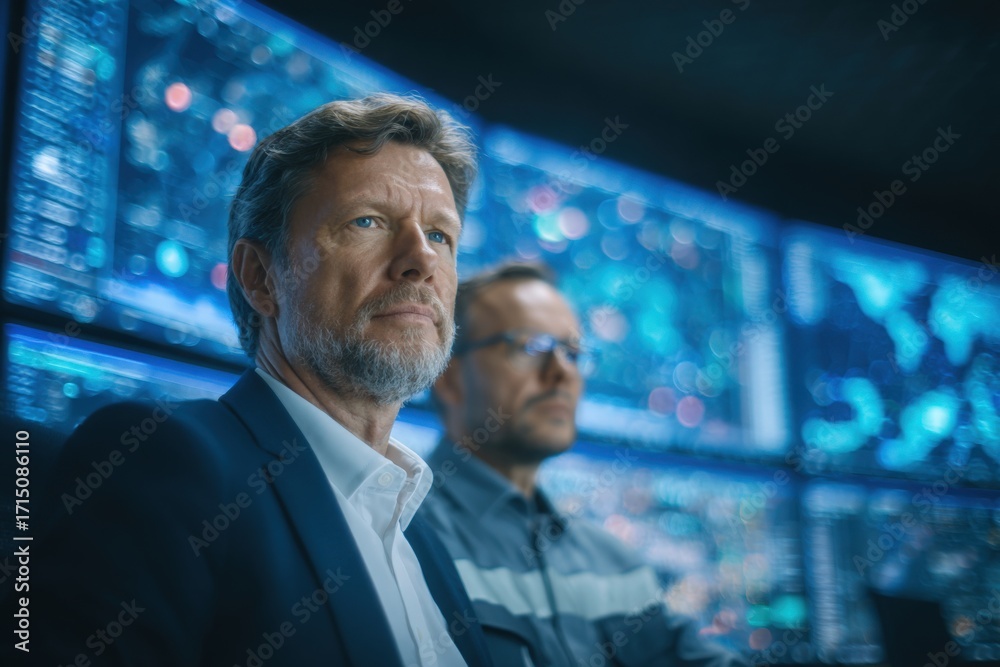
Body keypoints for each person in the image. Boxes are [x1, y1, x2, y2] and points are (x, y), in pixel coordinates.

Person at [28, 94, 493, 667]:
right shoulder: (162, 461)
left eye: (441, 236)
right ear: (261, 277)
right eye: (367, 221)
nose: (420, 260)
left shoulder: (420, 536)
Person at [421, 262, 747, 667]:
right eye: (530, 346)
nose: (562, 372)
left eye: (573, 353)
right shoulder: (400, 534)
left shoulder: (613, 562)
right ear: (448, 377)